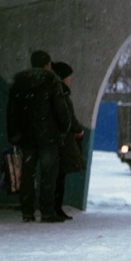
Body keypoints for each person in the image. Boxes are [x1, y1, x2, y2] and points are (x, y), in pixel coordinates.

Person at [6, 49, 72, 223]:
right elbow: (61, 110)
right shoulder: (52, 81)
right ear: (48, 64)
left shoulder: (19, 82)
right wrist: (63, 130)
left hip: (26, 136)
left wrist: (13, 134)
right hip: (48, 137)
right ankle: (47, 211)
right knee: (49, 174)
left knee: (27, 174)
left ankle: (27, 211)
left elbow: (11, 111)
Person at [52, 61, 86, 221]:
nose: (70, 79)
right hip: (62, 140)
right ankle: (55, 207)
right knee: (59, 175)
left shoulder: (55, 92)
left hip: (55, 138)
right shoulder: (61, 94)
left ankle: (53, 207)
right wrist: (78, 129)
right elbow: (68, 117)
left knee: (56, 175)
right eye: (68, 76)